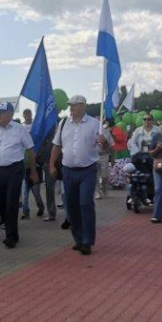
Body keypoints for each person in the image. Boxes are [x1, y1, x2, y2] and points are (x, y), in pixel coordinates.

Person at [48, 96, 108, 255]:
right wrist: (51, 164)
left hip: (87, 170)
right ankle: (78, 238)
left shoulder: (95, 124)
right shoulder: (63, 124)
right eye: (70, 105)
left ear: (83, 106)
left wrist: (103, 142)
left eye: (74, 105)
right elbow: (57, 145)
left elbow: (105, 147)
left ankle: (87, 241)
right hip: (68, 171)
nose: (71, 108)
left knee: (85, 203)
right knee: (71, 205)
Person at [0, 102, 36, 249]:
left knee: (11, 202)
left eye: (2, 113)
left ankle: (11, 236)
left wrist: (33, 170)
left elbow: (30, 150)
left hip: (15, 170)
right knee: (1, 202)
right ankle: (11, 231)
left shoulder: (20, 130)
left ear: (10, 115)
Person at [95, 120, 114, 199]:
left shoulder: (106, 132)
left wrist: (112, 158)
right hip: (94, 156)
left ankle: (104, 188)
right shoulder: (91, 131)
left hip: (104, 156)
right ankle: (97, 192)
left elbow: (112, 145)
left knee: (104, 176)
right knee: (95, 176)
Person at [108, 123, 130, 189]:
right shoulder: (108, 130)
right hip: (115, 152)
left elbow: (120, 140)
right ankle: (115, 184)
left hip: (122, 152)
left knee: (121, 169)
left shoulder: (118, 130)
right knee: (114, 169)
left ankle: (120, 184)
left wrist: (112, 134)